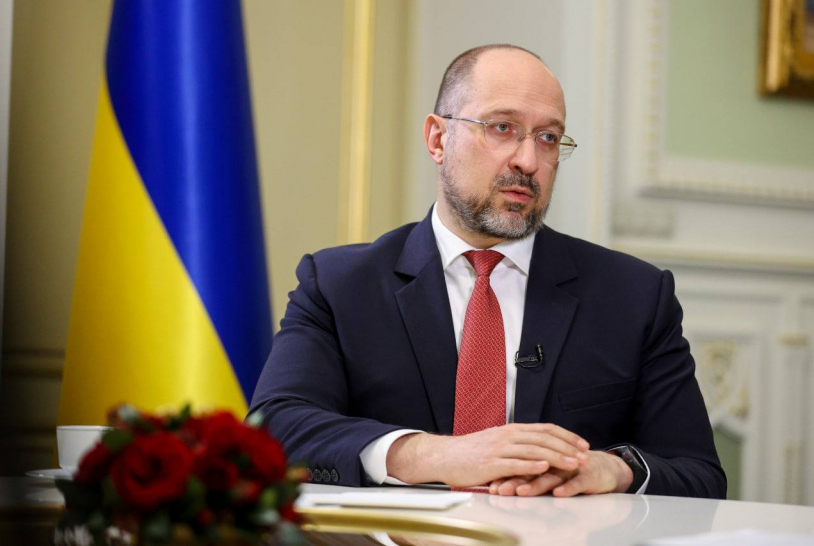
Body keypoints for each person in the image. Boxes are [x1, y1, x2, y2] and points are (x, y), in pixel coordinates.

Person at [250, 44, 726, 499]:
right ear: (438, 139)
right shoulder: (339, 285)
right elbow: (275, 428)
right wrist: (434, 455)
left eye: (548, 138)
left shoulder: (635, 296)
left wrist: (615, 469)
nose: (528, 161)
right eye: (502, 128)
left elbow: (699, 473)